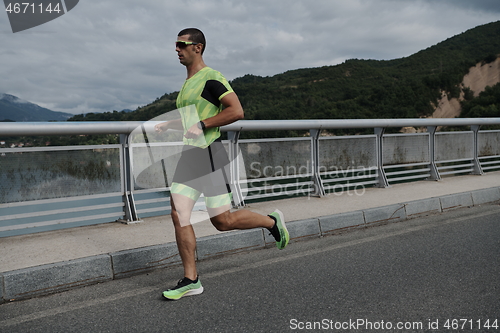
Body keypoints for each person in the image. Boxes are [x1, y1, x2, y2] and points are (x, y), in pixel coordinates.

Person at [155, 28, 289, 301]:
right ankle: (191, 279)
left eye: (182, 45)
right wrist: (169, 124)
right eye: (176, 45)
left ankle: (271, 222)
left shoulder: (211, 78)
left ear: (198, 48)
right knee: (179, 212)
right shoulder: (188, 84)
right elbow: (191, 118)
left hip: (210, 154)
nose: (177, 49)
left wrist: (204, 124)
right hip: (190, 154)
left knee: (223, 221)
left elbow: (235, 110)